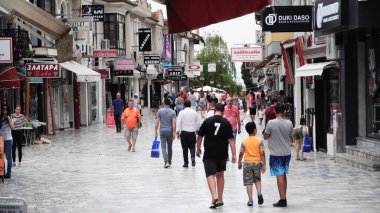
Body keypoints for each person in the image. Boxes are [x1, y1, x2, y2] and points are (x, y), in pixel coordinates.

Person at [196, 103, 236, 209]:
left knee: (210, 174)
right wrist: (234, 154)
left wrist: (198, 148)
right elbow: (231, 140)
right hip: (222, 153)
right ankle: (221, 199)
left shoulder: (207, 121)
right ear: (223, 111)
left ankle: (214, 196)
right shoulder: (226, 123)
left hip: (209, 152)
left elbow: (200, 136)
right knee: (220, 175)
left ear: (215, 110)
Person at [263, 103, 293, 207]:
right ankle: (284, 197)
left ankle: (282, 199)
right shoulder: (289, 123)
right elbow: (291, 137)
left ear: (275, 111)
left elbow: (265, 137)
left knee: (279, 175)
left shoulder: (271, 123)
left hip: (276, 153)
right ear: (284, 112)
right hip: (287, 152)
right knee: (284, 174)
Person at [238, 122, 266, 207]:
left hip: (247, 163)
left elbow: (241, 153)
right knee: (257, 180)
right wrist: (264, 164)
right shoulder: (259, 141)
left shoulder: (244, 141)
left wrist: (239, 162)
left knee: (249, 182)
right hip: (257, 163)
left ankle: (250, 200)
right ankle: (259, 193)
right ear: (255, 130)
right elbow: (262, 153)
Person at [176, 100, 201, 167]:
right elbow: (198, 122)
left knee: (185, 148)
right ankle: (193, 157)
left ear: (184, 105)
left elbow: (179, 122)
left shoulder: (181, 112)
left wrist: (177, 132)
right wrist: (197, 130)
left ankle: (186, 163)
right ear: (190, 105)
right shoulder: (194, 112)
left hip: (184, 133)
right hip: (192, 133)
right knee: (192, 147)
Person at [155, 98, 176, 168]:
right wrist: (174, 132)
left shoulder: (160, 111)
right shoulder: (173, 112)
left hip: (162, 131)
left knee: (163, 147)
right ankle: (169, 161)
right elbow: (174, 123)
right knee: (170, 147)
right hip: (170, 131)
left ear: (164, 103)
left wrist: (155, 131)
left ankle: (166, 161)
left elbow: (157, 122)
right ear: (170, 103)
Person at [0, 104, 15, 179]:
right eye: (3, 109)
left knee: (9, 157)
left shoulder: (10, 117)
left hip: (8, 140)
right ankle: (1, 172)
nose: (4, 110)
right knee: (1, 157)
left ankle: (8, 173)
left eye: (6, 109)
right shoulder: (0, 118)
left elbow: (12, 127)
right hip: (1, 140)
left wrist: (8, 118)